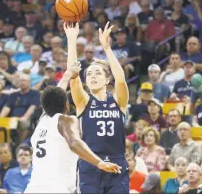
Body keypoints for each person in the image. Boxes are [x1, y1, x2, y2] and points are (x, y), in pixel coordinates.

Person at [24, 62, 121, 193]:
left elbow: (54, 96)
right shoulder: (66, 120)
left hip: (32, 188)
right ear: (66, 104)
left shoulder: (42, 122)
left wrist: (67, 75)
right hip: (56, 189)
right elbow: (74, 142)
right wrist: (99, 162)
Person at [64, 21, 130, 193]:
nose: (92, 76)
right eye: (89, 74)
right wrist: (71, 40)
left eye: (98, 73)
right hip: (91, 163)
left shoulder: (118, 101)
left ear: (107, 79)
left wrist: (107, 49)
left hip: (117, 161)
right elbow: (73, 76)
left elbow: (121, 80)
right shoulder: (83, 102)